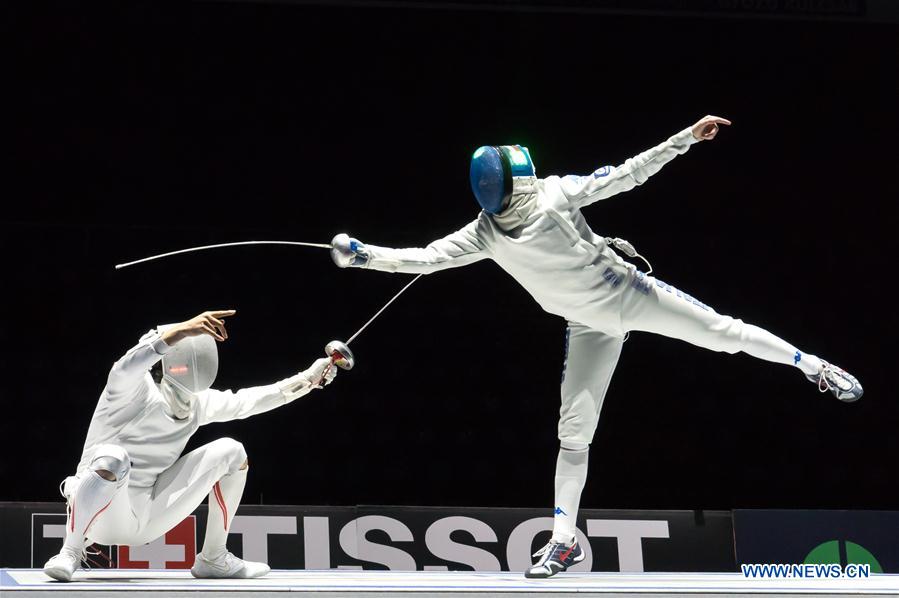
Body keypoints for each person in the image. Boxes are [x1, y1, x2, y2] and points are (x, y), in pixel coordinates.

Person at [329, 115, 863, 578]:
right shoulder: (485, 232)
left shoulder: (557, 193)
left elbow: (629, 173)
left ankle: (812, 365)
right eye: (522, 173)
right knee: (573, 433)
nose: (533, 178)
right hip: (587, 324)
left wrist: (685, 139)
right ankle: (563, 542)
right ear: (508, 184)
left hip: (630, 293)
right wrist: (364, 256)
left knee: (724, 334)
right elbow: (425, 258)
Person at [43, 309, 338, 582]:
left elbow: (251, 401)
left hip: (148, 517)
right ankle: (70, 551)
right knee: (113, 457)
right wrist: (183, 330)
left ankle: (213, 558)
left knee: (232, 451)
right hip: (99, 516)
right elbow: (128, 364)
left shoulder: (198, 403)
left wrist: (309, 379)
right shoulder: (127, 390)